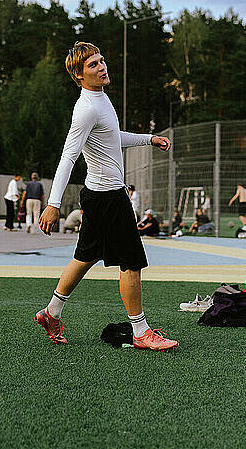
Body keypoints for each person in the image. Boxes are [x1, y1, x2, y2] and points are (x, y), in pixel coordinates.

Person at [36, 41, 178, 351]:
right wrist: (53, 203)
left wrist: (149, 139)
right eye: (93, 65)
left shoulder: (100, 99)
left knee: (84, 257)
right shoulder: (86, 109)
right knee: (131, 262)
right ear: (78, 74)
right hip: (109, 199)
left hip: (97, 197)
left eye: (101, 60)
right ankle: (140, 332)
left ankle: (52, 312)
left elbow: (114, 137)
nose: (102, 67)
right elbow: (68, 157)